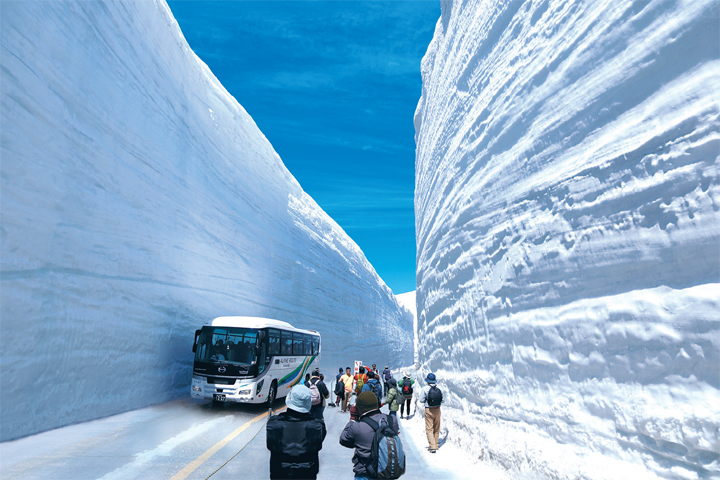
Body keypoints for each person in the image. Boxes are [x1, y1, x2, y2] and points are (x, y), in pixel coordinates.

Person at [266, 384, 327, 479]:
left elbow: (270, 445)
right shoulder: (318, 426)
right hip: (307, 474)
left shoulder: (273, 424)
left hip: (280, 473)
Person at [339, 391, 400, 479]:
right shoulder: (392, 420)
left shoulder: (358, 426)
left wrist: (352, 419)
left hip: (365, 472)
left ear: (359, 408)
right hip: (387, 471)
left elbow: (344, 440)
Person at [418, 372, 444, 453]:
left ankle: (432, 447)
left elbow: (421, 400)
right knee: (436, 427)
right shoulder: (439, 389)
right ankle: (435, 444)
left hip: (429, 409)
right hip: (437, 409)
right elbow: (443, 400)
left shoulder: (425, 389)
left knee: (429, 428)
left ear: (428, 381)